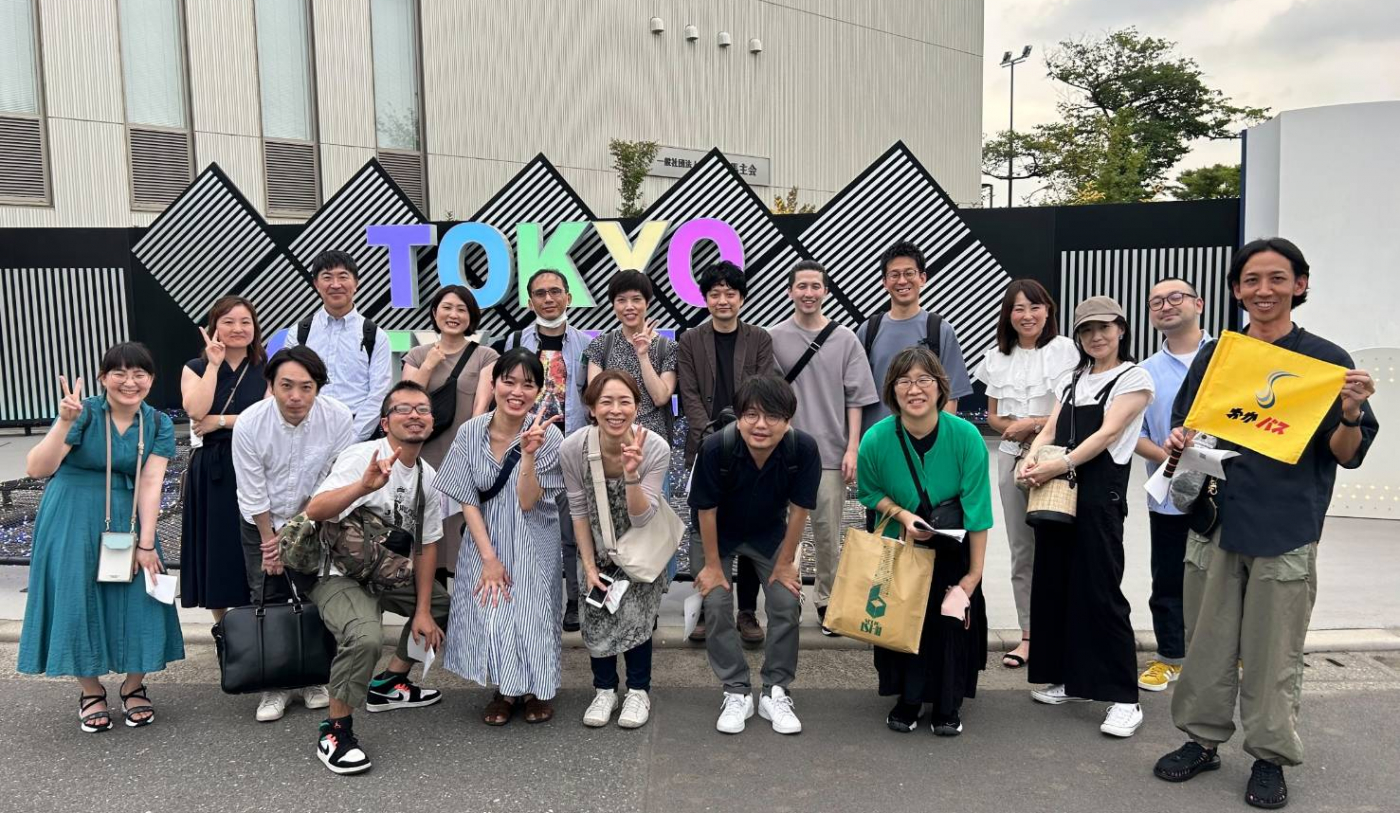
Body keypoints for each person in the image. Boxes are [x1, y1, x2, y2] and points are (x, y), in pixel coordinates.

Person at [1154, 239, 1379, 810]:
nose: (1264, 290)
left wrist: (1351, 412)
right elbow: (1189, 424)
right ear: (1236, 290)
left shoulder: (1326, 361)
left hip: (1286, 528)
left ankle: (1270, 756)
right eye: (1251, 280)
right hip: (1215, 520)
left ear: (1300, 285)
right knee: (1206, 644)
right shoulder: (1219, 355)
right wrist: (1181, 437)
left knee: (1274, 651)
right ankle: (1202, 741)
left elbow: (1346, 453)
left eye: (1278, 278)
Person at [19, 343, 184, 732]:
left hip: (130, 516)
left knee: (143, 595)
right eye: (119, 373)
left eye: (139, 373)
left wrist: (147, 542)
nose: (130, 382)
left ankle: (134, 685)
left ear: (151, 379)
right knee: (77, 598)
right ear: (102, 378)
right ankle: (90, 691)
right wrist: (64, 422)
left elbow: (151, 481)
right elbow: (38, 468)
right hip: (71, 514)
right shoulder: (84, 412)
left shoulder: (157, 422)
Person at [1018, 295, 1153, 738]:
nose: (1096, 337)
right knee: (1056, 584)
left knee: (1100, 590)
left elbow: (1109, 433)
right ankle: (1070, 680)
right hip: (1058, 494)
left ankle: (1124, 698)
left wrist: (1058, 465)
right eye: (1087, 330)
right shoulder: (1074, 378)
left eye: (1104, 328)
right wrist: (1032, 458)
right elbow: (1050, 428)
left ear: (1121, 329)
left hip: (1099, 496)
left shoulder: (1134, 377)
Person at [301, 381, 452, 775]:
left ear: (432, 421)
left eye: (422, 409)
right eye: (403, 409)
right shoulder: (361, 457)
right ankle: (335, 731)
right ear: (385, 422)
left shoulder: (427, 476)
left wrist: (422, 610)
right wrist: (362, 487)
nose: (414, 415)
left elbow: (427, 545)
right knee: (365, 637)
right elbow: (316, 509)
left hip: (385, 572)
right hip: (338, 573)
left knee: (440, 605)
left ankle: (388, 684)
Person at [857, 346, 992, 736]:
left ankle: (948, 704)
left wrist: (974, 575)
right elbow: (869, 492)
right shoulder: (876, 438)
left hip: (953, 548)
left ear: (940, 387)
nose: (914, 389)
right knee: (901, 622)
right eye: (904, 381)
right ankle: (908, 699)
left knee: (950, 626)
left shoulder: (966, 436)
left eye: (923, 380)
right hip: (901, 546)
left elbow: (978, 511)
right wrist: (902, 515)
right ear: (891, 390)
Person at [434, 348, 566, 725]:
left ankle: (536, 690)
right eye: (509, 382)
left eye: (528, 384)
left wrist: (528, 455)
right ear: (493, 385)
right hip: (484, 538)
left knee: (532, 614)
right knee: (494, 612)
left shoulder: (549, 436)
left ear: (538, 391)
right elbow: (466, 498)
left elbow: (527, 501)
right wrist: (489, 558)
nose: (517, 392)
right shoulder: (471, 432)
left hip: (533, 539)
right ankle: (506, 690)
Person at [688, 375, 821, 736]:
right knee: (716, 602)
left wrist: (786, 563)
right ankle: (736, 689)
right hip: (716, 533)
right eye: (751, 415)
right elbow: (705, 510)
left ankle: (776, 689)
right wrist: (712, 566)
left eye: (772, 416)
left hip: (768, 532)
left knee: (786, 601)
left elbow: (800, 509)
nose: (761, 425)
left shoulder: (803, 449)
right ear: (740, 416)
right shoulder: (716, 447)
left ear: (788, 419)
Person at [231, 345, 356, 722]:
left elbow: (332, 477)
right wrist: (271, 542)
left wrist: (297, 527)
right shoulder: (251, 423)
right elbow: (252, 489)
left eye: (306, 387)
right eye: (286, 385)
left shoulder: (337, 417)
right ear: (271, 385)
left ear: (318, 387)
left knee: (312, 591)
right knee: (267, 594)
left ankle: (313, 677)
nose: (296, 396)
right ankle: (275, 684)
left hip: (314, 515)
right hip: (260, 520)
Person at [769, 260, 879, 635]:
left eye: (816, 286)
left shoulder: (845, 339)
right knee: (784, 533)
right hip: (784, 454)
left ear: (826, 292)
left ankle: (827, 600)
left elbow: (856, 399)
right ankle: (787, 598)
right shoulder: (773, 338)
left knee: (828, 536)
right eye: (802, 286)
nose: (809, 293)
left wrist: (852, 448)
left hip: (831, 454)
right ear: (790, 291)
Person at [971, 280, 1077, 670]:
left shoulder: (1066, 350)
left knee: (1060, 545)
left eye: (1034, 307)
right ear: (1008, 314)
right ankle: (1029, 635)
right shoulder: (997, 356)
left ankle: (1064, 633)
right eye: (1018, 308)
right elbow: (994, 417)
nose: (1027, 315)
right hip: (1012, 459)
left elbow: (1073, 407)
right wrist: (1015, 428)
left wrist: (1032, 424)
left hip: (1055, 459)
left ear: (1048, 310)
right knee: (1022, 549)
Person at [560, 371, 672, 729]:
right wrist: (589, 565)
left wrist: (631, 474)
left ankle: (638, 691)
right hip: (594, 545)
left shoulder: (655, 447)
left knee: (637, 617)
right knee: (597, 615)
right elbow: (578, 510)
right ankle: (604, 689)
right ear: (591, 408)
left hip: (640, 546)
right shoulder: (573, 448)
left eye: (625, 401)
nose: (615, 410)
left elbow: (642, 517)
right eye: (606, 402)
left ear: (637, 407)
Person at [677, 260, 775, 644]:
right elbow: (688, 394)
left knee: (750, 527)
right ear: (705, 299)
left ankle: (747, 611)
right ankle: (707, 605)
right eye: (715, 293)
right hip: (706, 450)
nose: (723, 300)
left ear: (742, 299)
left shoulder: (759, 339)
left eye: (730, 293)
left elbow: (764, 390)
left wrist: (743, 433)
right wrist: (711, 437)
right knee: (705, 529)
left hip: (753, 449)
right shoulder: (690, 340)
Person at [495, 270, 592, 632]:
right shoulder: (513, 341)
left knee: (573, 531)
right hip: (525, 450)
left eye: (555, 291)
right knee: (526, 529)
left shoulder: (587, 345)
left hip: (571, 449)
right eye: (540, 293)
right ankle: (532, 598)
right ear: (530, 300)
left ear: (569, 297)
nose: (548, 299)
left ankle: (574, 600)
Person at [1133, 278, 1210, 692]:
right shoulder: (1144, 372)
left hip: (1229, 492)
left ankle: (1224, 655)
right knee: (1168, 580)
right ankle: (1171, 657)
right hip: (1170, 494)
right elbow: (1136, 434)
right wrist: (1172, 457)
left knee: (1224, 577)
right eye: (1156, 302)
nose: (1165, 305)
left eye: (1175, 297)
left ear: (1199, 303)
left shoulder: (1228, 358)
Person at [401, 285, 499, 583]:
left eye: (461, 309)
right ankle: (429, 604)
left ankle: (462, 607)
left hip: (462, 457)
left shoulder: (485, 355)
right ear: (434, 313)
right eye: (446, 307)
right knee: (426, 532)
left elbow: (481, 408)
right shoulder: (417, 355)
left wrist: (467, 455)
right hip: (423, 458)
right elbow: (406, 402)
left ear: (471, 317)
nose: (453, 315)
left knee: (461, 534)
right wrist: (429, 365)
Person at [180, 295, 269, 619]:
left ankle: (257, 619)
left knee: (254, 542)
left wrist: (219, 421)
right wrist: (214, 365)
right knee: (217, 546)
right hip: (213, 468)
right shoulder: (196, 367)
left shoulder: (268, 367)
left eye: (245, 322)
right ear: (214, 326)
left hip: (256, 462)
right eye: (228, 322)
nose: (238, 328)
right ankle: (223, 628)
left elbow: (267, 416)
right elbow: (195, 410)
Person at [856, 240, 974, 434]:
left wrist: (940, 441)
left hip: (925, 443)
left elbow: (950, 396)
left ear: (922, 278)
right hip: (877, 443)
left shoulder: (940, 330)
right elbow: (856, 395)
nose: (902, 281)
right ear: (884, 282)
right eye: (894, 275)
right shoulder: (868, 331)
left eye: (909, 273)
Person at [284, 249, 391, 441]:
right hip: (308, 431)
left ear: (356, 283)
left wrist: (352, 438)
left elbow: (379, 394)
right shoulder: (299, 333)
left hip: (358, 434)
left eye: (343, 276)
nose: (335, 284)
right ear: (316, 284)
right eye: (327, 277)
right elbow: (289, 384)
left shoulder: (375, 335)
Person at [584, 270, 677, 440]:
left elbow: (660, 397)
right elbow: (595, 396)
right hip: (610, 437)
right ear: (613, 305)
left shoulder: (667, 347)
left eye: (636, 299)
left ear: (647, 303)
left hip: (652, 438)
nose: (629, 306)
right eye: (621, 300)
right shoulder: (600, 345)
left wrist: (643, 355)